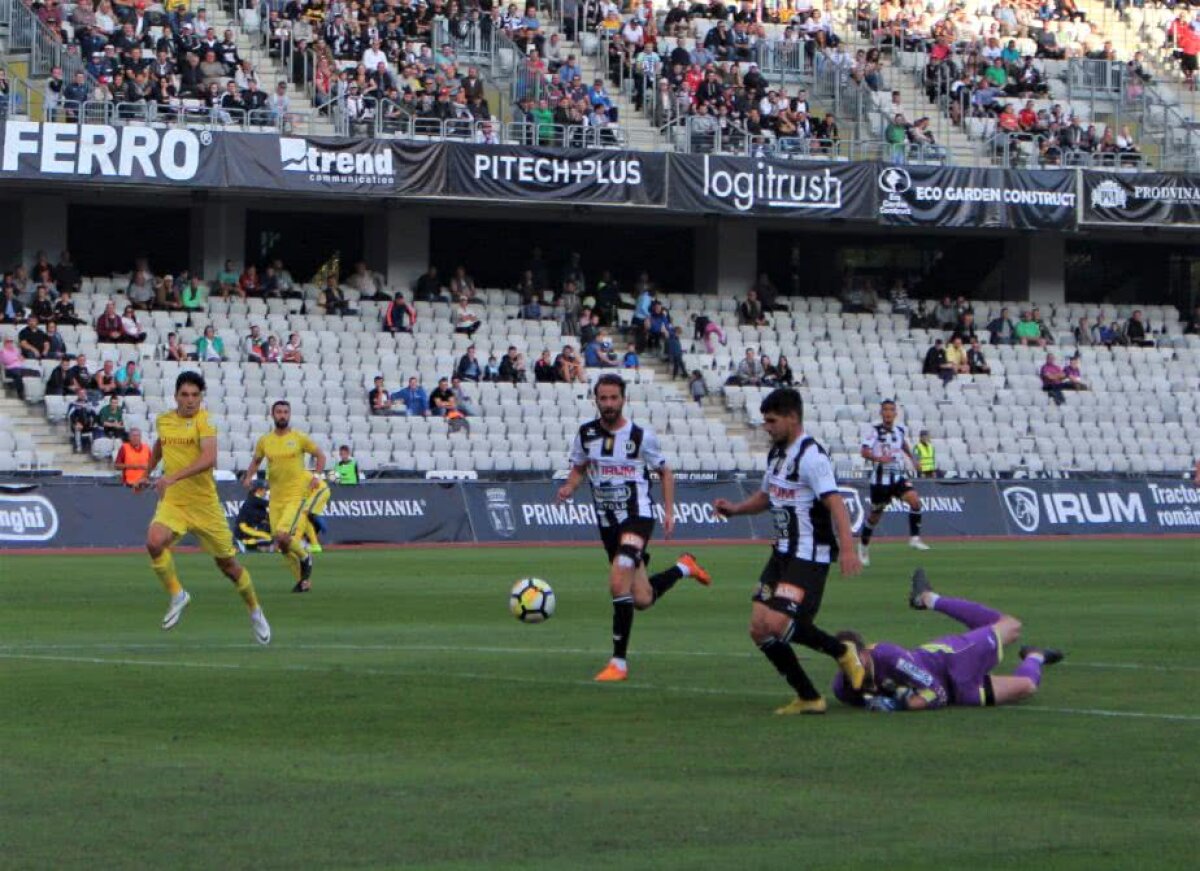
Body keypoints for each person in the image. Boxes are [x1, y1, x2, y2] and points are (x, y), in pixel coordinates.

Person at [712, 388, 865, 715]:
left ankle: (842, 651)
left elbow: (835, 502)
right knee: (758, 627)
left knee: (779, 623)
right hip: (782, 553)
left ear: (792, 418)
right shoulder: (777, 455)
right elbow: (766, 497)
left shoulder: (811, 456)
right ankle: (809, 697)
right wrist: (735, 509)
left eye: (771, 421)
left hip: (809, 553)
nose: (766, 427)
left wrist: (849, 548)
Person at [557, 374, 712, 683]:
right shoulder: (586, 434)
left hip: (637, 516)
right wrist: (569, 487)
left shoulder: (641, 436)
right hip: (607, 522)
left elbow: (665, 473)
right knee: (641, 598)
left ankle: (619, 663)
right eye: (604, 398)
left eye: (615, 398)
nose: (609, 404)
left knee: (617, 583)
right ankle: (684, 567)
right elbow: (579, 468)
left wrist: (669, 513)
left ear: (623, 399)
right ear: (596, 400)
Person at [135, 372, 270, 644]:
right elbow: (161, 445)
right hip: (174, 501)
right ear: (175, 396)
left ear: (201, 398)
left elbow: (209, 458)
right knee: (153, 541)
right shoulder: (164, 420)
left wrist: (171, 476)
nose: (190, 400)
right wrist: (145, 473)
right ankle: (177, 594)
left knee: (229, 566)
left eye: (195, 395)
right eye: (184, 395)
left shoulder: (204, 422)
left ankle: (255, 610)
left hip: (205, 505)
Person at [832, 569, 1063, 712]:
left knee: (1011, 626)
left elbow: (935, 691)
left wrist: (905, 702)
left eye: (852, 658)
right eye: (843, 661)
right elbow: (940, 696)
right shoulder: (842, 688)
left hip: (957, 659)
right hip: (958, 692)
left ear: (864, 652)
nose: (849, 665)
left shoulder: (885, 655)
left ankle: (928, 599)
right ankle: (1036, 656)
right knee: (1027, 687)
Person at [241, 400, 330, 593]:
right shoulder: (266, 441)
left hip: (295, 497)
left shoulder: (298, 438)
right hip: (275, 499)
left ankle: (306, 556)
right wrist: (248, 477)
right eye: (279, 412)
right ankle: (303, 581)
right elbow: (256, 461)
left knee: (282, 535)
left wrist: (317, 476)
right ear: (272, 415)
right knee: (281, 545)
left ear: (289, 415)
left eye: (285, 412)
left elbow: (321, 456)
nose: (282, 415)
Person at [858, 399, 929, 564]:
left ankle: (914, 538)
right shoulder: (875, 431)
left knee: (915, 501)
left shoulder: (900, 430)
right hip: (880, 483)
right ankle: (863, 546)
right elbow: (864, 451)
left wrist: (912, 458)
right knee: (874, 517)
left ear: (896, 413)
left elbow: (903, 443)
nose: (888, 413)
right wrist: (878, 458)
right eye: (885, 410)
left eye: (891, 410)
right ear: (881, 413)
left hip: (897, 478)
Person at [234, 483, 274, 552]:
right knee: (268, 537)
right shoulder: (254, 499)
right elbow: (271, 504)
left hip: (249, 527)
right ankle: (243, 543)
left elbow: (263, 515)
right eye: (265, 490)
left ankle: (247, 544)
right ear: (259, 490)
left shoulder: (255, 500)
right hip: (243, 527)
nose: (266, 492)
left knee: (267, 536)